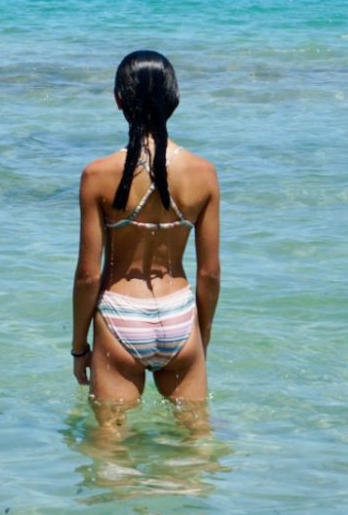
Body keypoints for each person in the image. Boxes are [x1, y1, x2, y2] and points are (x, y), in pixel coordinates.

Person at [71, 50, 221, 432]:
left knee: (109, 445)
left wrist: (79, 348)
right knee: (199, 442)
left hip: (121, 314)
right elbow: (209, 273)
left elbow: (88, 276)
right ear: (175, 99)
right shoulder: (204, 173)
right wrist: (199, 338)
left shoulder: (97, 174)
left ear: (118, 100)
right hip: (180, 315)